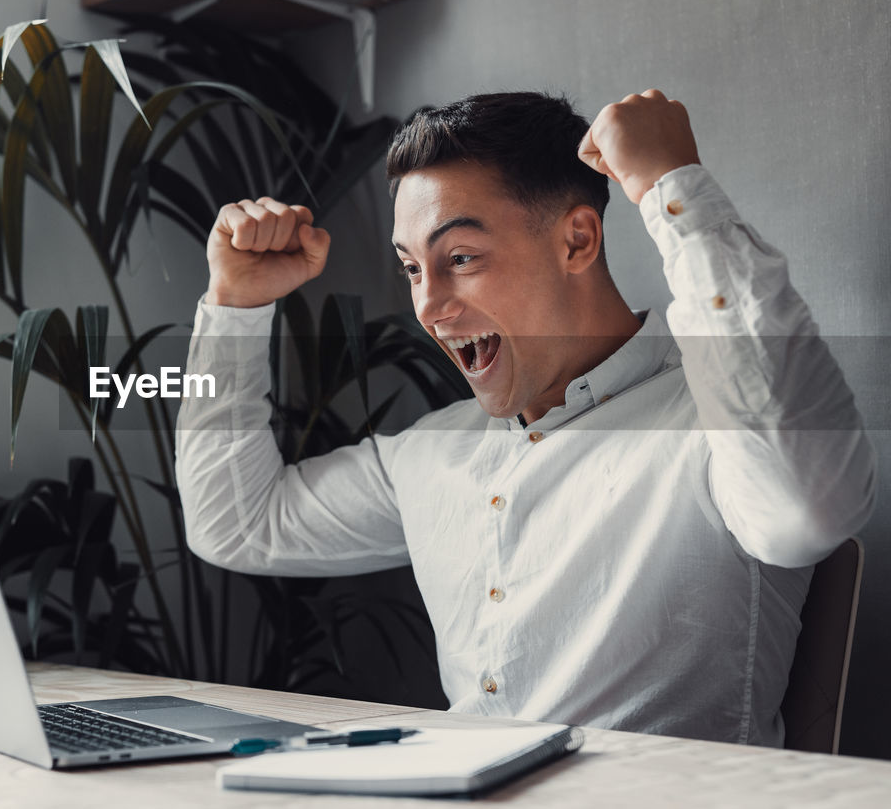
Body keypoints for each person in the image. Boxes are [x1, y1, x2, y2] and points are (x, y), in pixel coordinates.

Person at [174, 90, 876, 745]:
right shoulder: (430, 453)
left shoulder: (717, 433)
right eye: (412, 269)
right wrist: (235, 307)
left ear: (577, 241)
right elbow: (236, 523)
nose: (428, 305)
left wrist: (673, 187)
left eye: (460, 257)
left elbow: (810, 508)